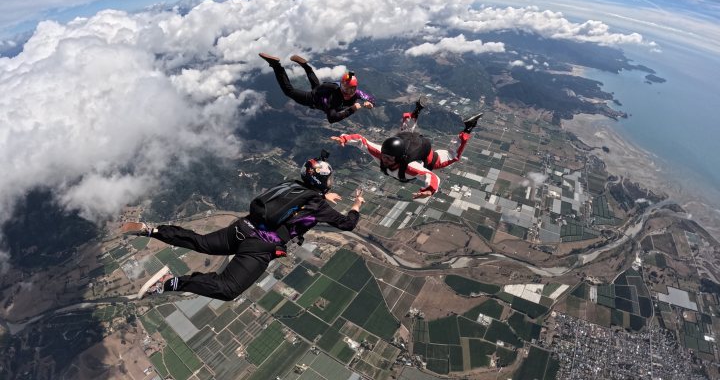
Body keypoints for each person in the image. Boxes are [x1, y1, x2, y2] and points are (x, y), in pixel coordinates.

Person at [121, 153, 365, 301]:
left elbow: (299, 205)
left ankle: (151, 230)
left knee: (201, 242)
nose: (331, 183)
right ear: (320, 182)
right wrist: (356, 205)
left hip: (242, 227)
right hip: (260, 245)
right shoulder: (316, 203)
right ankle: (169, 283)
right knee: (228, 289)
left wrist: (322, 198)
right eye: (328, 180)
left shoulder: (292, 186)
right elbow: (347, 224)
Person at [331, 98, 482, 199]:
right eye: (384, 155)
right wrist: (345, 138)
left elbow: (432, 176)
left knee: (452, 156)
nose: (384, 159)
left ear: (398, 158)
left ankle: (468, 128)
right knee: (404, 134)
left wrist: (430, 189)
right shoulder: (381, 153)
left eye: (389, 158)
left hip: (427, 156)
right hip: (407, 143)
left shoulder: (410, 167)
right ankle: (416, 111)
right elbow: (361, 141)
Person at [259, 52, 375, 123]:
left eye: (353, 89)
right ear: (342, 87)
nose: (350, 92)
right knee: (289, 91)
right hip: (313, 98)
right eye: (348, 89)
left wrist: (369, 103)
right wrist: (352, 110)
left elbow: (370, 98)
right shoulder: (334, 99)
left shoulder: (356, 93)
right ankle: (276, 66)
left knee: (317, 86)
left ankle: (305, 65)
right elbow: (332, 118)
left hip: (322, 92)